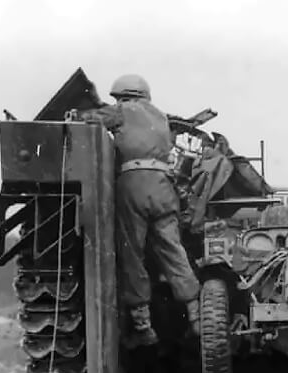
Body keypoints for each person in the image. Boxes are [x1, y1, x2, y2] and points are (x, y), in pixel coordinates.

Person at [79, 74, 201, 350]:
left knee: (132, 252)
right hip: (164, 187)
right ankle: (196, 315)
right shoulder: (161, 117)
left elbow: (90, 119)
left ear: (122, 95)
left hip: (133, 185)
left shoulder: (120, 111)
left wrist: (79, 112)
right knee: (173, 249)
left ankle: (143, 326)